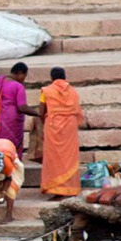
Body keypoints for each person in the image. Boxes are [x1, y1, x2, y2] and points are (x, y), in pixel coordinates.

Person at [0, 62, 39, 158]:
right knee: (9, 147)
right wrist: (38, 113)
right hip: (10, 124)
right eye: (24, 76)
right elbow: (22, 107)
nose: (23, 79)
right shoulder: (18, 86)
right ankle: (9, 166)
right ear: (20, 73)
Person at [40, 67, 84, 198]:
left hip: (53, 126)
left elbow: (41, 112)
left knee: (54, 159)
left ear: (51, 78)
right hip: (70, 126)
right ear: (65, 77)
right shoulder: (73, 92)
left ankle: (58, 192)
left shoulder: (46, 91)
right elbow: (77, 111)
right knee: (69, 158)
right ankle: (70, 189)